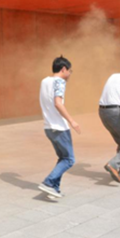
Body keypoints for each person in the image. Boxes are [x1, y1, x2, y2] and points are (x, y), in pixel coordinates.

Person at [38, 56, 81, 198]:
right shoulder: (60, 82)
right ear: (63, 69)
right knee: (69, 159)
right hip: (59, 127)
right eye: (70, 71)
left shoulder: (44, 81)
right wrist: (72, 121)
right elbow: (58, 103)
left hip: (48, 127)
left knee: (63, 158)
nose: (69, 74)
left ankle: (54, 188)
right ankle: (49, 182)